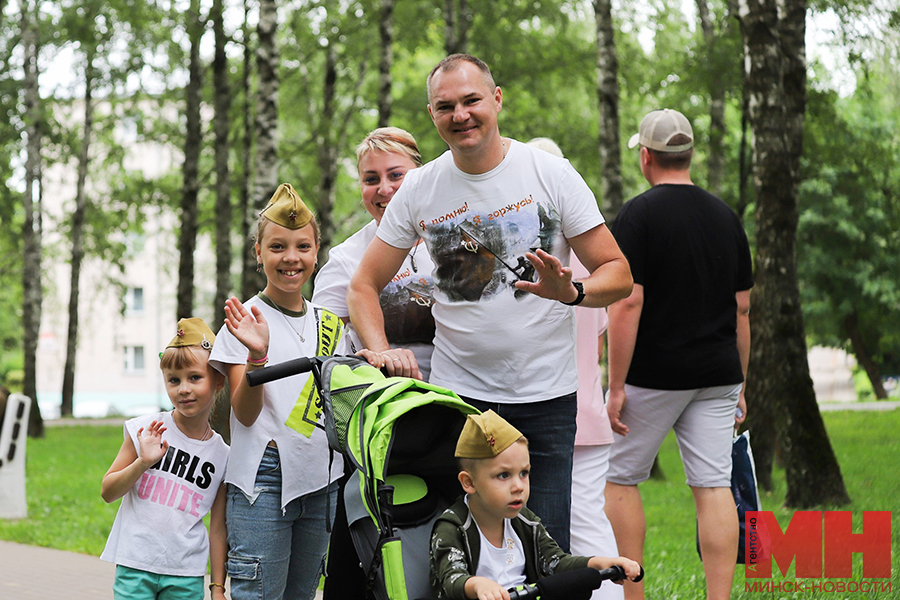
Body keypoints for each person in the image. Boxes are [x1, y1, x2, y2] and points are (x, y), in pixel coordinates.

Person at [347, 53, 633, 551]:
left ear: (496, 99)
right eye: (445, 106)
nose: (461, 115)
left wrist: (572, 292)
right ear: (432, 115)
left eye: (471, 100)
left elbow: (619, 273)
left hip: (546, 398)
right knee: (467, 552)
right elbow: (362, 285)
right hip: (463, 401)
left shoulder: (551, 174)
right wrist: (378, 348)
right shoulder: (420, 187)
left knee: (548, 552)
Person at [604, 109, 752, 600]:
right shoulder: (726, 216)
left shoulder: (638, 215)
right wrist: (742, 385)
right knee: (713, 487)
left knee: (619, 479)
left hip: (653, 376)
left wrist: (616, 384)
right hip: (719, 375)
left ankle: (633, 595)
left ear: (646, 157)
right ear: (688, 155)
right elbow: (743, 310)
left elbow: (629, 300)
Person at [209, 183, 348, 600]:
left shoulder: (332, 326)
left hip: (323, 480)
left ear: (317, 250)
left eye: (302, 246)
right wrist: (258, 357)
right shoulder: (244, 320)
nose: (291, 258)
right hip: (264, 481)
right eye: (277, 247)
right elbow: (244, 416)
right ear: (258, 253)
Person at [526, 137, 622, 600]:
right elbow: (598, 338)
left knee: (567, 536)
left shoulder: (537, 272)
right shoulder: (585, 273)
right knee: (585, 527)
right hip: (587, 412)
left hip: (556, 412)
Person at [430, 410, 642, 600]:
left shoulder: (525, 520)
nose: (518, 486)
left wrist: (600, 563)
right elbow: (451, 578)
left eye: (524, 473)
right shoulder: (453, 527)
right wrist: (476, 584)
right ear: (469, 482)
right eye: (503, 475)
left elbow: (556, 563)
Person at [101, 317, 229, 600]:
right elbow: (107, 492)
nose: (183, 389)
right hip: (135, 566)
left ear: (218, 380)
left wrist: (217, 588)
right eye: (174, 380)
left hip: (186, 574)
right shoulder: (145, 429)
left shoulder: (223, 455)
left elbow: (218, 528)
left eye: (194, 377)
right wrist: (142, 462)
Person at [313, 126, 436, 380]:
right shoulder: (347, 258)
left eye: (396, 175)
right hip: (389, 401)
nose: (384, 189)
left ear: (420, 177)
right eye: (371, 179)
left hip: (467, 390)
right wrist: (371, 359)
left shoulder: (447, 233)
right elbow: (320, 348)